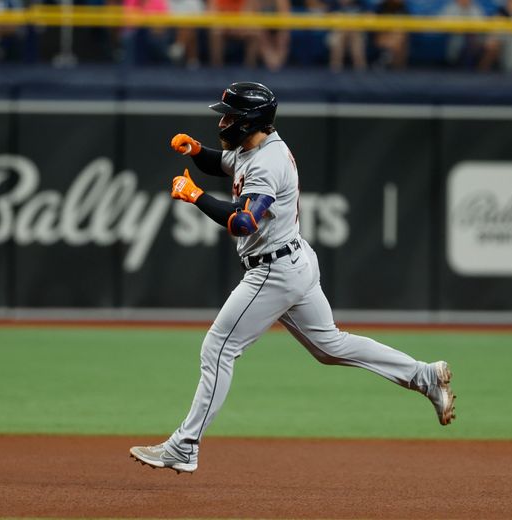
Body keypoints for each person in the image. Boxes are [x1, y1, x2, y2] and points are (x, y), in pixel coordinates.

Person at [129, 82, 456, 473]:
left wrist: (195, 196)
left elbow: (243, 221)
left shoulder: (268, 163)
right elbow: (226, 163)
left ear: (250, 121)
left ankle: (184, 447)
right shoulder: (257, 147)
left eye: (230, 116)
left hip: (274, 271)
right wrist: (197, 152)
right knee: (331, 346)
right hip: (295, 260)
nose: (224, 121)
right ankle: (424, 376)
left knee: (218, 350)